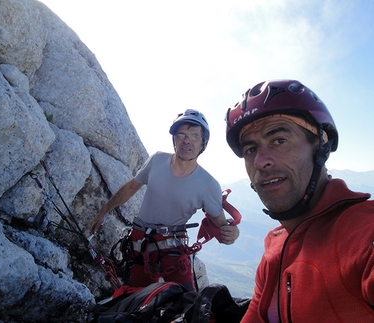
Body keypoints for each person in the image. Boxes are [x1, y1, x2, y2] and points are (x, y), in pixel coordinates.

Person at [225, 79, 374, 322]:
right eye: (250, 149)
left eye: (279, 140)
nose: (261, 161)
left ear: (321, 144)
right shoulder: (274, 250)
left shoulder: (364, 235)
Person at [91, 109, 240, 291]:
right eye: (181, 135)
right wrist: (103, 211)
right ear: (174, 140)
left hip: (172, 251)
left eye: (194, 136)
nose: (187, 141)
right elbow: (131, 187)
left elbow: (222, 225)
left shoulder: (208, 184)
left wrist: (233, 234)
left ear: (203, 143)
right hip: (141, 245)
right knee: (141, 301)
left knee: (187, 302)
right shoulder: (157, 160)